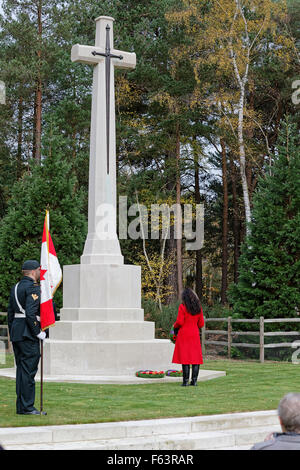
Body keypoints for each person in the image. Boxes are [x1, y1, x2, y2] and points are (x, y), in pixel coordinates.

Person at [7, 260, 47, 415]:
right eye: (38, 270)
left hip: (18, 332)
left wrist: (13, 331)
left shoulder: (15, 287)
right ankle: (28, 407)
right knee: (29, 372)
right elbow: (30, 313)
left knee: (22, 371)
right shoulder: (32, 287)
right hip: (28, 333)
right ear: (32, 272)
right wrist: (38, 331)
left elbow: (10, 314)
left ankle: (21, 406)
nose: (39, 272)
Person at [172, 287, 205, 386]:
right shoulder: (198, 308)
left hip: (184, 334)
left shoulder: (182, 307)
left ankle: (185, 381)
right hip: (194, 334)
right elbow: (201, 324)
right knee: (196, 358)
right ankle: (194, 381)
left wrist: (174, 326)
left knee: (185, 358)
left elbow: (180, 322)